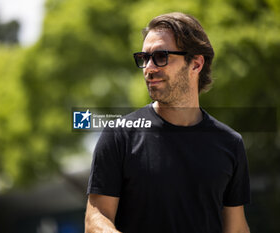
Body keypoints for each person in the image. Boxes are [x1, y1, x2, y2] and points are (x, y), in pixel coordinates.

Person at [85, 12, 251, 233]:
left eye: (161, 56)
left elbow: (236, 227)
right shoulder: (119, 135)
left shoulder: (230, 143)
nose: (149, 68)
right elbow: (96, 219)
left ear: (196, 64)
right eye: (144, 58)